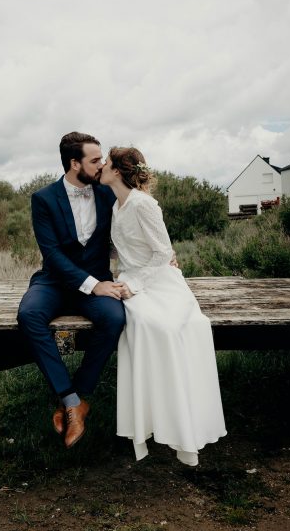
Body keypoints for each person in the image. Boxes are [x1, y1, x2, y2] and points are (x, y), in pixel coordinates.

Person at [99, 146, 227, 465]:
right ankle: (149, 416)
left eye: (106, 162)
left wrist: (135, 284)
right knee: (141, 324)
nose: (101, 166)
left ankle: (180, 420)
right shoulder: (116, 206)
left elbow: (162, 252)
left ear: (116, 171)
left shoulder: (144, 204)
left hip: (159, 283)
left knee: (164, 328)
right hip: (130, 278)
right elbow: (123, 249)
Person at [17, 132, 126, 449]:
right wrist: (95, 285)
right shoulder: (44, 199)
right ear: (74, 163)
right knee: (28, 315)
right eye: (95, 160)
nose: (102, 164)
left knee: (114, 319)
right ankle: (70, 398)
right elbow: (52, 254)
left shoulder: (107, 193)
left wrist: (162, 255)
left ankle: (78, 397)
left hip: (96, 282)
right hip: (53, 281)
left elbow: (133, 224)